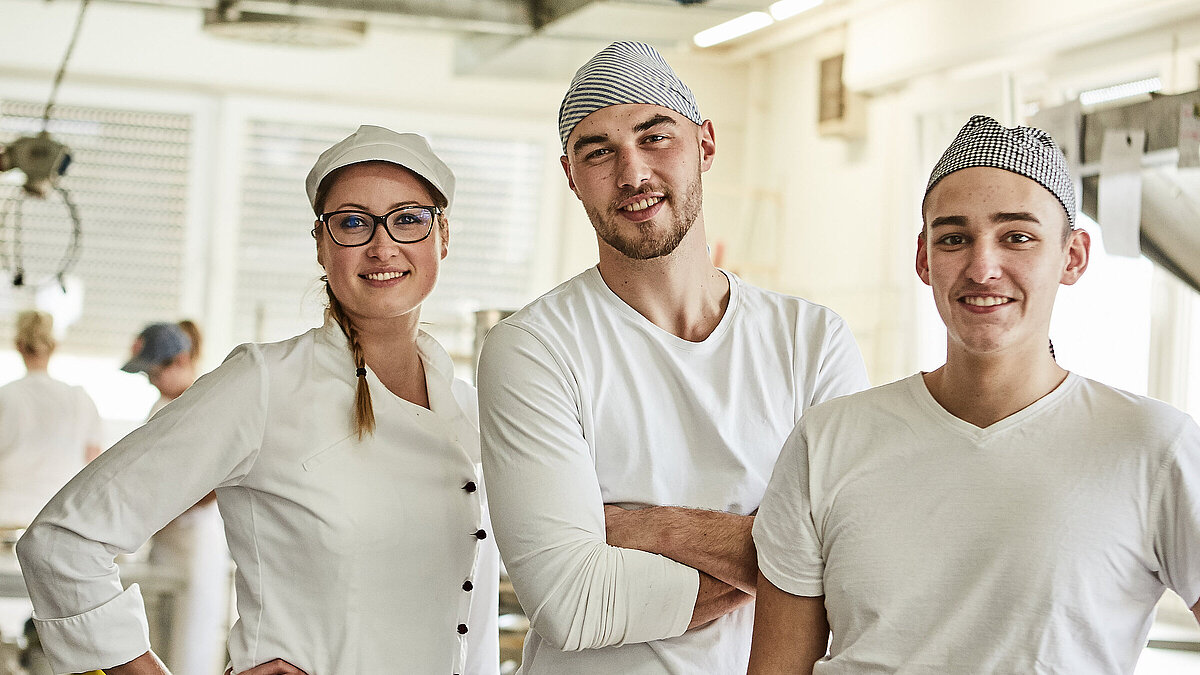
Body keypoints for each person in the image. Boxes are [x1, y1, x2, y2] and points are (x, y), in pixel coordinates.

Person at [17, 125, 500, 675]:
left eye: (408, 219)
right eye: (352, 222)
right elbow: (63, 541)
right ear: (321, 245)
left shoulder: (475, 408)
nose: (382, 245)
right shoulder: (264, 383)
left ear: (442, 236)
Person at [747, 115, 1200, 674]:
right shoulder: (829, 440)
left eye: (1018, 237)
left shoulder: (1156, 447)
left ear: (1074, 256)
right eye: (955, 238)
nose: (983, 268)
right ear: (924, 259)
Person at [477, 41, 869, 673]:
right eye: (597, 151)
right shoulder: (534, 348)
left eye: (654, 137)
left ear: (705, 145)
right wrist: (785, 562)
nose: (631, 173)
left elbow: (856, 567)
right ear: (571, 174)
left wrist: (645, 529)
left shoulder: (811, 340)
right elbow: (573, 603)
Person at [0, 309, 101, 528]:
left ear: (18, 345)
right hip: (58, 520)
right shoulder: (80, 400)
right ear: (54, 346)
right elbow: (95, 466)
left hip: (5, 517)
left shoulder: (4, 397)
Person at [121, 321, 199, 418]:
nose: (151, 382)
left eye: (155, 374)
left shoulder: (206, 405)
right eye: (147, 375)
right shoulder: (160, 411)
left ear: (180, 360)